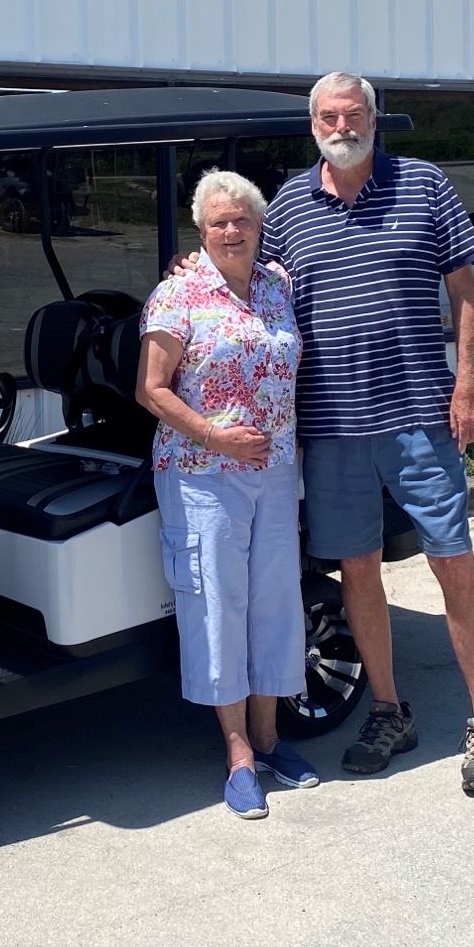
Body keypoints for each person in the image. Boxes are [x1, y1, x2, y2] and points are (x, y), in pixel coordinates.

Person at [261, 70, 474, 795]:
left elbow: (466, 293)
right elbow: (249, 283)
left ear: (373, 118)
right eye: (330, 118)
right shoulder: (285, 207)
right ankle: (389, 710)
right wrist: (193, 268)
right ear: (314, 127)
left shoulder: (424, 185)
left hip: (417, 418)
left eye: (355, 114)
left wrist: (467, 386)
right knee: (359, 571)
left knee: (450, 559)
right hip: (332, 428)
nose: (343, 127)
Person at [137, 169, 317, 818]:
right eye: (219, 222)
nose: (232, 230)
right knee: (217, 605)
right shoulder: (177, 294)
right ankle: (238, 755)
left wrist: (256, 447)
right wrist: (217, 438)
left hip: (272, 472)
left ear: (258, 223)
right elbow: (151, 390)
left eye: (241, 219)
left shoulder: (278, 287)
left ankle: (270, 740)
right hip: (202, 473)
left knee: (274, 602)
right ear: (201, 230)